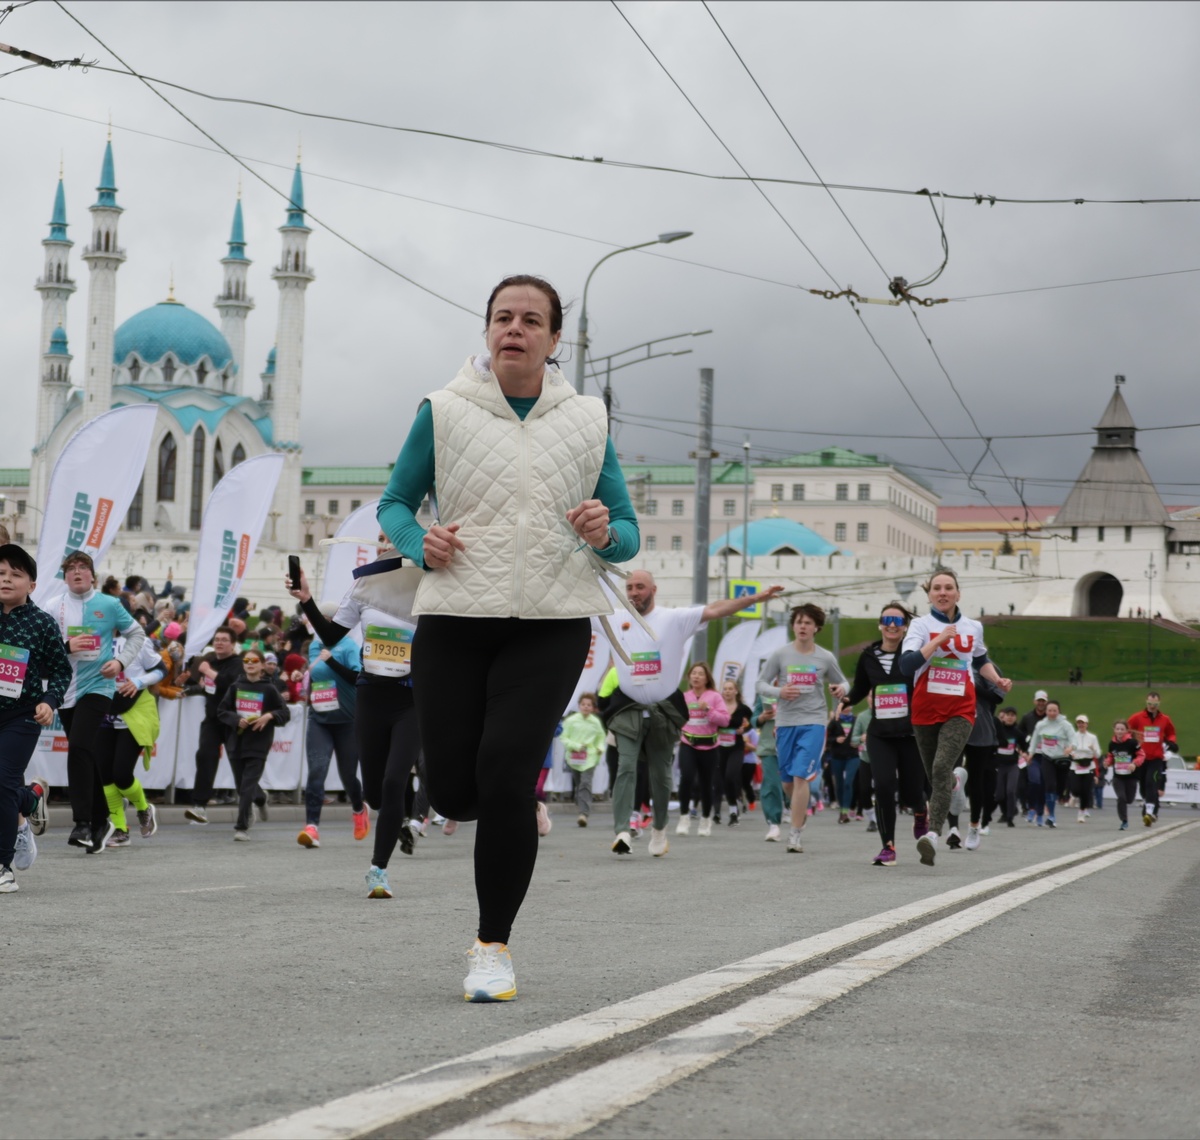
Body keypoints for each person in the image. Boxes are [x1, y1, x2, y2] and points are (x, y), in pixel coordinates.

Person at [377, 274, 640, 1002]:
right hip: (455, 617)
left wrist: (605, 532)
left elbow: (626, 532)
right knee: (456, 791)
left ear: (554, 340)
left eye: (530, 320)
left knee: (505, 776)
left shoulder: (586, 418)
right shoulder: (443, 409)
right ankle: (493, 800)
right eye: (502, 317)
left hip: (551, 623)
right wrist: (419, 541)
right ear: (487, 330)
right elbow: (396, 503)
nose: (514, 329)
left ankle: (493, 946)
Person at [606, 571, 783, 854]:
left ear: (654, 589)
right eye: (629, 587)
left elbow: (716, 609)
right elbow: (574, 613)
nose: (634, 592)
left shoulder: (673, 618)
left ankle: (659, 830)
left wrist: (756, 598)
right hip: (628, 709)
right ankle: (623, 831)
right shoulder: (614, 618)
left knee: (660, 775)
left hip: (663, 711)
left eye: (640, 587)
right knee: (625, 767)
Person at [900, 569, 1011, 866]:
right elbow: (907, 665)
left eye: (948, 587)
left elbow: (980, 659)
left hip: (961, 708)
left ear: (958, 593)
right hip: (925, 708)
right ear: (929, 595)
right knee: (936, 774)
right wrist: (937, 641)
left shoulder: (972, 627)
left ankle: (933, 835)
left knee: (939, 767)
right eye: (937, 588)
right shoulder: (920, 626)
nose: (943, 593)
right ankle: (955, 782)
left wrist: (996, 680)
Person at [52, 551, 147, 853]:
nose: (77, 572)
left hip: (98, 687)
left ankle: (81, 822)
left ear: (92, 576)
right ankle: (100, 820)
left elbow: (137, 634)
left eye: (83, 567)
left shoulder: (109, 604)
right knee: (87, 753)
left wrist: (120, 662)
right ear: (65, 577)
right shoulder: (53, 607)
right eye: (71, 569)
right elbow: (43, 648)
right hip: (65, 689)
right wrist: (67, 646)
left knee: (79, 746)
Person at [0, 545, 71, 893]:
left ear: (31, 584)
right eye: (1, 573)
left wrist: (49, 700)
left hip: (22, 716)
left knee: (1, 782)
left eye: (15, 574)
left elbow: (61, 670)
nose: (6, 580)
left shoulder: (42, 623)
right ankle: (28, 800)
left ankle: (3, 867)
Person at [757, 602, 848, 854]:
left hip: (814, 722)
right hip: (786, 722)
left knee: (801, 776)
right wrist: (780, 691)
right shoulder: (780, 654)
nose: (803, 627)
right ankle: (800, 811)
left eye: (808, 623)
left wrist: (841, 689)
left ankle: (794, 835)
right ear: (793, 626)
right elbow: (760, 683)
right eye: (799, 622)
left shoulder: (825, 657)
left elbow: (843, 682)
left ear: (816, 627)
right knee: (787, 781)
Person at [841, 602, 926, 867]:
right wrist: (845, 700)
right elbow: (859, 688)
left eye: (898, 621)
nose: (891, 625)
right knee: (884, 786)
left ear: (905, 627)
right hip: (880, 734)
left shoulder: (913, 655)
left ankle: (921, 811)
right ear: (880, 624)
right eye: (887, 619)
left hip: (910, 734)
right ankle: (888, 847)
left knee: (912, 792)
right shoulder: (868, 656)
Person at [297, 608, 369, 850]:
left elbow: (356, 678)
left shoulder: (349, 646)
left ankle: (358, 809)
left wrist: (333, 661)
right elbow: (317, 677)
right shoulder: (314, 646)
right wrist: (301, 677)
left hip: (348, 721)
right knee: (316, 771)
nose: (321, 625)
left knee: (348, 776)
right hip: (320, 719)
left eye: (326, 621)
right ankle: (312, 827)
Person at [94, 632, 164, 847]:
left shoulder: (138, 640)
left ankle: (143, 808)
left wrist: (139, 681)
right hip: (103, 711)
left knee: (121, 775)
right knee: (105, 776)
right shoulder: (94, 637)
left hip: (134, 713)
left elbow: (161, 669)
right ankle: (120, 830)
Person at [217, 648, 290, 840]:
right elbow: (222, 711)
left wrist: (269, 716)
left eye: (254, 661)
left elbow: (285, 713)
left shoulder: (269, 688)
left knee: (247, 785)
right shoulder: (236, 687)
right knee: (242, 785)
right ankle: (261, 798)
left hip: (258, 743)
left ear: (262, 665)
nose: (250, 664)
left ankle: (241, 827)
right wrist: (236, 720)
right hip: (236, 742)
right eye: (246, 661)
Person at [183, 626, 245, 824]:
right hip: (212, 720)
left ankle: (256, 798)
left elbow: (230, 684)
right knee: (205, 757)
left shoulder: (238, 663)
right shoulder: (210, 661)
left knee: (239, 764)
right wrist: (199, 684)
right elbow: (209, 688)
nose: (219, 643)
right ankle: (200, 806)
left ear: (233, 644)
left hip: (233, 721)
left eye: (224, 640)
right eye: (217, 639)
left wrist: (208, 672)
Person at [675, 662, 730, 838]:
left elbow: (725, 720)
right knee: (687, 777)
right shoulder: (685, 697)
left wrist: (708, 709)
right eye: (693, 673)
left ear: (706, 678)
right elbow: (677, 718)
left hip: (709, 746)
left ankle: (706, 819)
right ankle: (684, 817)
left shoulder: (714, 696)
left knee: (706, 783)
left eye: (700, 674)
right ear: (689, 677)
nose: (696, 676)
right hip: (688, 743)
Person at [962, 665, 1006, 850]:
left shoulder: (987, 667)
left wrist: (971, 685)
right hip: (951, 724)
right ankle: (951, 828)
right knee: (947, 773)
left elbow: (997, 697)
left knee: (975, 781)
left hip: (980, 729)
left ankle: (974, 825)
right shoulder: (946, 659)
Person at [1127, 692, 1176, 826]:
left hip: (1156, 759)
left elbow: (1171, 733)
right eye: (1149, 703)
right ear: (1146, 702)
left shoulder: (1165, 719)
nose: (1152, 706)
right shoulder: (1137, 717)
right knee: (1143, 787)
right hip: (1142, 758)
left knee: (1151, 782)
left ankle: (1149, 812)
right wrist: (1131, 741)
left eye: (1154, 704)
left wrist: (1171, 742)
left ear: (1159, 704)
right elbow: (1127, 730)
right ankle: (1152, 809)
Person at [561, 693, 606, 827]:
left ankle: (583, 813)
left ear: (593, 707)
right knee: (579, 783)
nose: (586, 707)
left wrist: (599, 748)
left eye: (589, 705)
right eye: (583, 704)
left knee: (585, 783)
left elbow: (600, 738)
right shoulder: (571, 720)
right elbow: (564, 737)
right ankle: (580, 802)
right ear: (579, 706)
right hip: (574, 757)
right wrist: (575, 746)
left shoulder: (595, 722)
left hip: (590, 757)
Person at [713, 679, 752, 827]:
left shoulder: (743, 709)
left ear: (736, 691)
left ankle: (733, 810)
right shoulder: (718, 707)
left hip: (736, 747)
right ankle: (726, 811)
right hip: (719, 748)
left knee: (730, 776)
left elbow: (751, 723)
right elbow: (710, 721)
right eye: (725, 689)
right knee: (720, 780)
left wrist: (744, 729)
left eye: (730, 689)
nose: (727, 691)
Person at [1029, 700, 1073, 828]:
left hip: (1062, 759)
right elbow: (1035, 740)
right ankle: (1051, 816)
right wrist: (1031, 753)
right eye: (1049, 710)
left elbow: (1073, 739)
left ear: (1058, 711)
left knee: (1059, 787)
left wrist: (1071, 747)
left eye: (1054, 710)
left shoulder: (1065, 725)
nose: (1052, 713)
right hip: (1047, 758)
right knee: (1049, 785)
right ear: (1046, 711)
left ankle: (1055, 799)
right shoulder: (1041, 725)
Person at [752, 693, 783, 841]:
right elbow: (754, 719)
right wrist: (762, 718)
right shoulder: (765, 693)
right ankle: (773, 824)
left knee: (791, 785)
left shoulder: (799, 689)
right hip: (769, 746)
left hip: (792, 745)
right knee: (771, 784)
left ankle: (795, 811)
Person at [1104, 720, 1144, 831]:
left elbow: (1141, 755)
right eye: (1117, 729)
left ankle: (1123, 807)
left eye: (1122, 729)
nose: (1119, 731)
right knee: (1121, 797)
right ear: (1114, 730)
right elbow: (1111, 756)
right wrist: (1107, 762)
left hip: (1131, 776)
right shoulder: (1112, 744)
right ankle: (1124, 821)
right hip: (1118, 777)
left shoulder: (1132, 743)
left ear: (1126, 730)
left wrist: (1134, 763)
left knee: (1129, 800)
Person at [993, 707, 1026, 827]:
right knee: (999, 795)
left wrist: (1024, 752)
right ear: (1004, 717)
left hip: (1012, 765)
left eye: (1013, 715)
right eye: (1008, 715)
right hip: (999, 766)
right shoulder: (997, 731)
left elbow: (1024, 746)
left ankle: (1010, 817)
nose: (1010, 717)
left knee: (1011, 791)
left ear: (1015, 718)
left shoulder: (1017, 733)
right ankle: (1006, 811)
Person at [825, 708, 859, 826]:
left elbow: (862, 734)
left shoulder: (856, 720)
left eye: (849, 705)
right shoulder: (835, 720)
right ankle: (841, 809)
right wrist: (836, 739)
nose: (847, 707)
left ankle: (845, 812)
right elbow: (826, 738)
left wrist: (858, 741)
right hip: (837, 756)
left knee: (848, 783)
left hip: (853, 756)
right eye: (844, 705)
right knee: (839, 784)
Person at [1069, 713, 1100, 823]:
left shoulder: (1092, 738)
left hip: (1088, 766)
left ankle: (1081, 813)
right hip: (1076, 766)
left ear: (1087, 724)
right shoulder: (1072, 736)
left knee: (1085, 791)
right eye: (1079, 723)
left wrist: (1093, 749)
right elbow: (1068, 749)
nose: (1081, 725)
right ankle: (1073, 795)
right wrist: (1071, 754)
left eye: (1083, 723)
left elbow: (1098, 754)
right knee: (1076, 789)